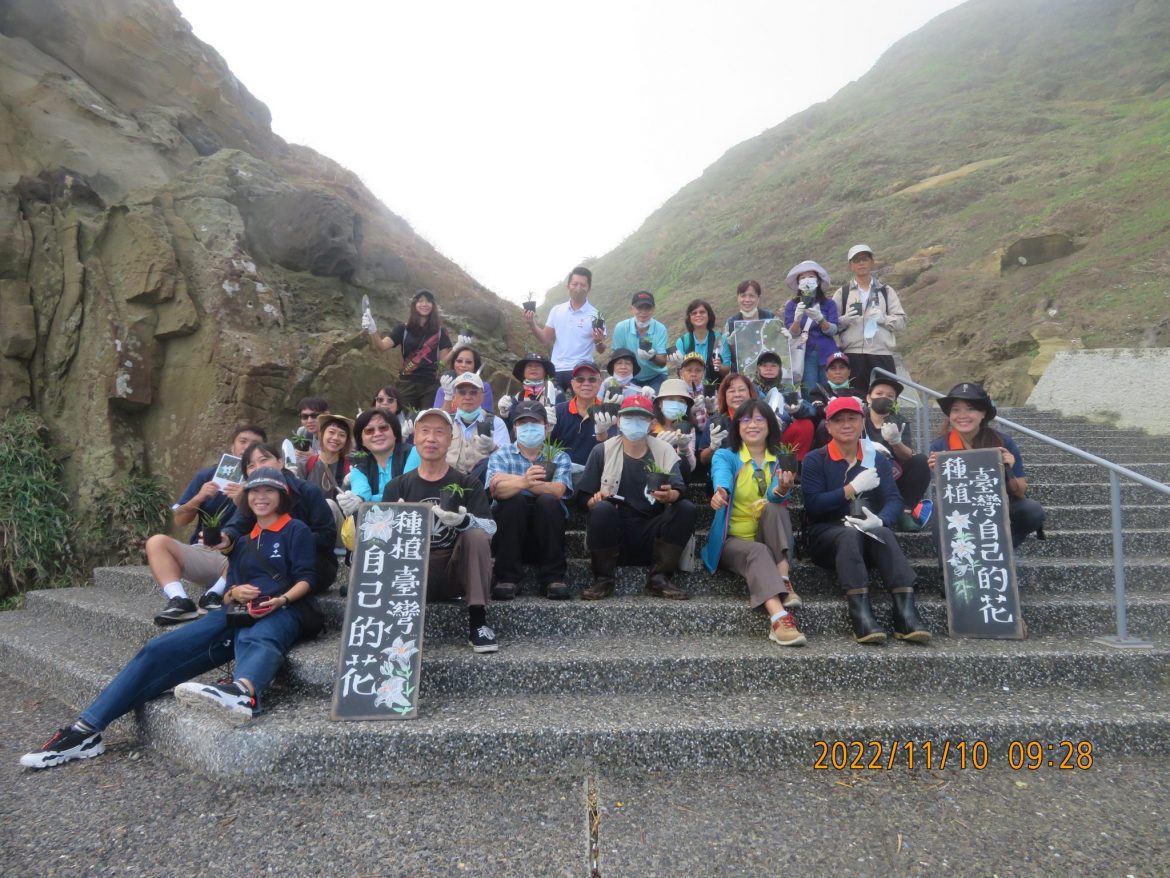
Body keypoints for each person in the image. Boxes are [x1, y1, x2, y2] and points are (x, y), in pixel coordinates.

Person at [20, 467, 318, 768]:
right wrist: (234, 594)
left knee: (259, 638)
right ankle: (85, 731)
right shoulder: (242, 541)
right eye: (254, 491)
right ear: (247, 497)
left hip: (282, 609)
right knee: (157, 650)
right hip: (237, 613)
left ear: (282, 496)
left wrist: (280, 600)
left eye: (269, 490)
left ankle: (243, 693)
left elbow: (308, 579)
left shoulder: (296, 530)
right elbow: (227, 592)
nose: (261, 496)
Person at [801, 396, 930, 645]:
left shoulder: (876, 458)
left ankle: (906, 613)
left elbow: (893, 498)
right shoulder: (815, 460)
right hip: (827, 534)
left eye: (852, 418)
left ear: (863, 422)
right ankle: (860, 613)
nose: (846, 424)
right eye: (839, 420)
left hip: (867, 530)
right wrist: (850, 489)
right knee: (848, 534)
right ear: (828, 426)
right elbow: (814, 505)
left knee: (884, 533)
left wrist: (881, 520)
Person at [382, 408, 500, 653]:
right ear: (415, 438)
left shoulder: (468, 483)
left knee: (476, 535)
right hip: (410, 576)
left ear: (450, 439)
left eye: (439, 432)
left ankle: (478, 621)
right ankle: (395, 625)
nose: (431, 438)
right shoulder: (397, 486)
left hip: (454, 572)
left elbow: (490, 528)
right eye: (424, 431)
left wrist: (464, 522)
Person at [701, 399, 806, 647]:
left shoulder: (781, 459)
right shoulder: (726, 456)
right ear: (737, 427)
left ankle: (783, 579)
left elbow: (773, 496)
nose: (752, 425)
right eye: (746, 420)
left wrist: (781, 488)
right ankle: (779, 618)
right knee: (757, 551)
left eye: (759, 419)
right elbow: (722, 477)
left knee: (774, 507)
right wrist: (721, 492)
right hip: (733, 542)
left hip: (768, 536)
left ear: (770, 425)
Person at [574, 395, 698, 601]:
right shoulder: (602, 451)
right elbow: (581, 497)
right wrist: (594, 501)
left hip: (653, 534)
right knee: (601, 510)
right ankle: (603, 578)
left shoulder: (664, 450)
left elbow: (679, 488)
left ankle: (660, 576)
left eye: (641, 419)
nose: (634, 423)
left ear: (651, 424)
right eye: (629, 418)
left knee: (686, 508)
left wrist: (670, 495)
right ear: (619, 421)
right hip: (614, 533)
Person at [149, 424, 266, 625]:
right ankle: (179, 600)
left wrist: (244, 499)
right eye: (243, 441)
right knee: (156, 542)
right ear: (232, 446)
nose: (247, 448)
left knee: (249, 547)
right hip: (205, 552)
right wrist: (198, 498)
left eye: (254, 445)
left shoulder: (265, 482)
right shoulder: (208, 475)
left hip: (241, 558)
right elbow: (179, 519)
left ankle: (213, 595)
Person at [928, 382, 1045, 548]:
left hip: (999, 502)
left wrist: (1008, 469)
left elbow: (1020, 491)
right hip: (960, 507)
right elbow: (947, 495)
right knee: (939, 508)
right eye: (956, 409)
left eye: (970, 408)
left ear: (983, 413)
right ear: (949, 415)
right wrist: (938, 472)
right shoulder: (940, 447)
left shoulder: (1003, 442)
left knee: (1032, 510)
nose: (963, 415)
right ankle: (947, 571)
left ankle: (1000, 551)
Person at [220, 443, 339, 594]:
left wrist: (288, 541)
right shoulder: (252, 498)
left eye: (263, 460)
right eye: (251, 466)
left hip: (311, 564)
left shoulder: (308, 491)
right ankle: (218, 591)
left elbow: (327, 536)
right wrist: (226, 538)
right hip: (268, 567)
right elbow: (237, 526)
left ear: (280, 462)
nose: (259, 467)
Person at [486, 400, 574, 600]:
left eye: (534, 422)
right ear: (515, 428)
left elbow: (558, 490)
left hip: (547, 532)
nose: (528, 427)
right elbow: (497, 491)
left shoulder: (559, 457)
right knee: (512, 500)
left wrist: (514, 480)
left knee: (549, 501)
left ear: (546, 426)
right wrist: (524, 482)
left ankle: (553, 578)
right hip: (510, 534)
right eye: (522, 423)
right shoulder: (501, 455)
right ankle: (506, 577)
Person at [363, 289, 454, 411]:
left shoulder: (440, 331)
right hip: (406, 384)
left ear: (433, 305)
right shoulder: (402, 329)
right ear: (414, 304)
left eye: (428, 301)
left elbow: (443, 362)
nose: (424, 304)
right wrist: (372, 330)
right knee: (402, 421)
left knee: (427, 421)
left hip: (431, 384)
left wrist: (458, 347)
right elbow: (381, 347)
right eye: (420, 301)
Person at [832, 245, 907, 393]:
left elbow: (902, 321)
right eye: (856, 260)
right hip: (853, 355)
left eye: (865, 259)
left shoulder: (886, 291)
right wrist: (843, 321)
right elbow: (831, 325)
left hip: (881, 354)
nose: (861, 263)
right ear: (850, 265)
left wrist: (883, 319)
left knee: (885, 401)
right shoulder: (843, 292)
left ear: (872, 262)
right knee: (855, 400)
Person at [863, 375, 932, 531]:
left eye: (890, 396)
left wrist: (895, 442)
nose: (884, 398)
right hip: (864, 475)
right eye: (879, 394)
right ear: (868, 398)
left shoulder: (899, 421)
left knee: (921, 461)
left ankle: (904, 511)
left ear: (894, 402)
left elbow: (907, 455)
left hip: (894, 475)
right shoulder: (859, 418)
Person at [524, 266, 607, 389]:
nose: (578, 288)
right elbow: (545, 339)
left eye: (583, 285)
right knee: (552, 407)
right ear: (568, 286)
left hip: (582, 370)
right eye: (575, 284)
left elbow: (601, 349)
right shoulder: (557, 310)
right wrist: (532, 323)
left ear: (589, 288)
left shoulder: (596, 315)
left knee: (581, 407)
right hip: (556, 369)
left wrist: (598, 341)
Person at [337, 409, 421, 506]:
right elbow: (360, 496)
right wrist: (354, 501)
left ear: (395, 432)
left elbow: (407, 492)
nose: (377, 434)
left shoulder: (414, 453)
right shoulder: (358, 470)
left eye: (383, 427)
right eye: (369, 430)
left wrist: (371, 499)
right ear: (362, 440)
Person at [782, 260, 840, 396]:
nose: (806, 280)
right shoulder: (791, 305)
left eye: (811, 276)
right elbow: (792, 334)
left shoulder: (829, 303)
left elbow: (833, 330)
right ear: (798, 283)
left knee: (830, 391)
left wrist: (820, 319)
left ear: (818, 281)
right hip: (805, 354)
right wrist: (797, 319)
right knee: (810, 392)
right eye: (802, 278)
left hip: (828, 353)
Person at [549, 361, 616, 468]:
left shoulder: (609, 413)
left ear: (600, 383)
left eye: (592, 379)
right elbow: (546, 446)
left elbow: (613, 451)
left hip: (597, 475)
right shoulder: (557, 412)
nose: (586, 383)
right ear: (572, 383)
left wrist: (602, 433)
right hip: (560, 472)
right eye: (580, 379)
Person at [752, 351, 816, 462]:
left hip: (781, 436)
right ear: (758, 369)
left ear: (780, 369)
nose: (769, 368)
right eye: (764, 365)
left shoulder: (787, 390)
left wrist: (798, 409)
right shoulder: (751, 388)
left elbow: (811, 410)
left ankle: (794, 466)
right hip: (756, 436)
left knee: (806, 425)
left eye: (773, 365)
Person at [444, 372, 510, 481]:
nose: (467, 397)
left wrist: (493, 448)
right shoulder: (446, 422)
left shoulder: (496, 423)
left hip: (482, 485)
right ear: (454, 397)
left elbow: (507, 461)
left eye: (473, 392)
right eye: (462, 392)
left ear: (482, 396)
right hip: (447, 482)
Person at [611, 291, 670, 393]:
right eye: (639, 308)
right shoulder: (621, 328)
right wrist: (619, 379)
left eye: (647, 308)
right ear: (632, 309)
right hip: (630, 377)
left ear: (653, 309)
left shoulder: (660, 329)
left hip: (656, 376)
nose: (643, 312)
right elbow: (616, 357)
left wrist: (652, 357)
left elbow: (662, 362)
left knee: (654, 404)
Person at [810, 351, 865, 448]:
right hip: (829, 432)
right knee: (824, 424)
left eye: (842, 367)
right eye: (833, 368)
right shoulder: (818, 390)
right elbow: (817, 411)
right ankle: (825, 456)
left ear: (849, 372)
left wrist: (860, 405)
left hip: (852, 429)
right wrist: (829, 408)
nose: (838, 371)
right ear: (826, 373)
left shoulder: (857, 392)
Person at [696, 372, 748, 471]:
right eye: (731, 391)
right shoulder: (715, 420)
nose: (737, 395)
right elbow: (703, 460)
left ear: (750, 393)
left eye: (742, 390)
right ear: (724, 395)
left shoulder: (761, 418)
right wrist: (713, 447)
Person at [721, 280, 775, 374]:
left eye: (751, 296)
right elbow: (729, 358)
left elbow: (778, 348)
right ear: (737, 298)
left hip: (767, 373)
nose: (747, 300)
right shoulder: (730, 323)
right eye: (743, 295)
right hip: (742, 375)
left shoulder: (770, 318)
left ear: (758, 298)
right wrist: (731, 345)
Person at [672, 299, 724, 394]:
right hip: (689, 390)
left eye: (702, 312)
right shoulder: (682, 342)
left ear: (709, 315)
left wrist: (720, 367)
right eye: (694, 313)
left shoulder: (720, 339)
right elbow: (681, 372)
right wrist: (678, 365)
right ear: (689, 318)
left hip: (717, 389)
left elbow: (727, 369)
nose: (698, 315)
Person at [651, 378, 698, 479]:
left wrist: (684, 448)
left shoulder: (688, 428)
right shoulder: (650, 425)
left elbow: (691, 467)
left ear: (686, 406)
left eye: (681, 401)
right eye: (670, 399)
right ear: (660, 403)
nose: (676, 404)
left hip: (678, 483)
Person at [498, 352, 563, 422]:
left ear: (545, 372)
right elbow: (511, 427)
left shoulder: (555, 392)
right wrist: (504, 415)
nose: (533, 368)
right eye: (529, 365)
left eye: (538, 365)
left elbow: (563, 421)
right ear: (523, 372)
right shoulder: (518, 397)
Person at [433, 342, 495, 414]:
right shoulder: (443, 389)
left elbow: (486, 416)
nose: (463, 365)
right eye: (459, 361)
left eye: (468, 362)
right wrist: (448, 397)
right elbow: (439, 418)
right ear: (453, 363)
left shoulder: (483, 387)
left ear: (475, 366)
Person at [282, 396, 328, 469]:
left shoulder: (335, 434)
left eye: (314, 416)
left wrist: (314, 457)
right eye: (304, 417)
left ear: (326, 415)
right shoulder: (302, 432)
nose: (309, 421)